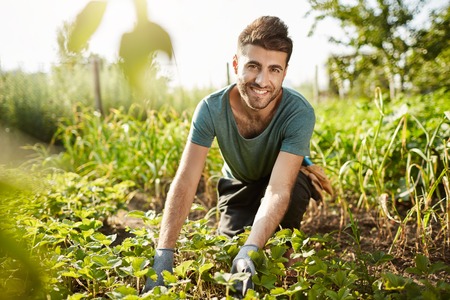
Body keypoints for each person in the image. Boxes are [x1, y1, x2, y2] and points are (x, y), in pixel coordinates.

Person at [142, 15, 332, 297]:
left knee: (290, 197)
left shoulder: (299, 112)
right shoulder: (210, 109)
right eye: (253, 66)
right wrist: (164, 254)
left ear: (284, 71)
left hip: (280, 182)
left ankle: (285, 247)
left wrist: (251, 249)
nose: (261, 80)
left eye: (274, 69)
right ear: (235, 65)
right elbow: (186, 179)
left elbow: (278, 188)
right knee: (228, 252)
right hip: (238, 186)